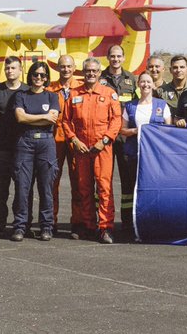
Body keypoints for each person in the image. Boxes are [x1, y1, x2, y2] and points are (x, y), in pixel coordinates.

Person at [60, 57, 122, 244]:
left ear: (99, 72)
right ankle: (88, 226)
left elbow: (116, 120)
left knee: (104, 189)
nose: (91, 74)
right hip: (82, 149)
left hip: (102, 148)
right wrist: (74, 140)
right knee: (84, 189)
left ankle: (105, 228)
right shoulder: (73, 94)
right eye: (88, 71)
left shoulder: (109, 93)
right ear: (83, 71)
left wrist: (104, 141)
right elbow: (65, 121)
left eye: (94, 71)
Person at [11, 61, 59, 241]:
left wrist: (37, 119)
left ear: (47, 77)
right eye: (36, 74)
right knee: (22, 187)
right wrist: (43, 117)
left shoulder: (52, 97)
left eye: (43, 75)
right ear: (30, 75)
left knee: (46, 188)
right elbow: (20, 117)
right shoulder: (21, 95)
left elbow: (52, 120)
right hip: (25, 143)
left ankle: (46, 226)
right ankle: (21, 226)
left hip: (46, 144)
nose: (39, 78)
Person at [119, 72, 172, 237]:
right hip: (134, 155)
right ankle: (130, 225)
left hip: (155, 157)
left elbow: (169, 131)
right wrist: (136, 131)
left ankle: (155, 223)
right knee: (132, 189)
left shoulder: (162, 105)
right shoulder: (129, 106)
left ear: (153, 85)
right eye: (142, 82)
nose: (145, 85)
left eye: (148, 82)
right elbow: (122, 131)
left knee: (153, 189)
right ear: (138, 85)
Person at [100, 44, 137, 228]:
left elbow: (138, 105)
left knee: (127, 180)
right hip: (104, 138)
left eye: (119, 56)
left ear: (123, 58)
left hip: (124, 138)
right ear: (108, 57)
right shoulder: (100, 79)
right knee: (102, 181)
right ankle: (101, 220)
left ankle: (128, 221)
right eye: (112, 56)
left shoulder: (131, 79)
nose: (115, 59)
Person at [0, 56, 24, 234]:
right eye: (8, 68)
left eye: (14, 68)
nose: (10, 71)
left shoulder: (27, 90)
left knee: (22, 189)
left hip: (22, 148)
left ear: (20, 70)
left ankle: (21, 224)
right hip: (0, 147)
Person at [49, 55, 82, 232]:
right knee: (52, 181)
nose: (66, 70)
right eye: (62, 66)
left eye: (69, 66)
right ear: (58, 68)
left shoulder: (82, 88)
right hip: (55, 139)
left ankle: (77, 222)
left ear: (74, 67)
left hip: (75, 139)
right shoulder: (50, 89)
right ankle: (50, 221)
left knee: (78, 181)